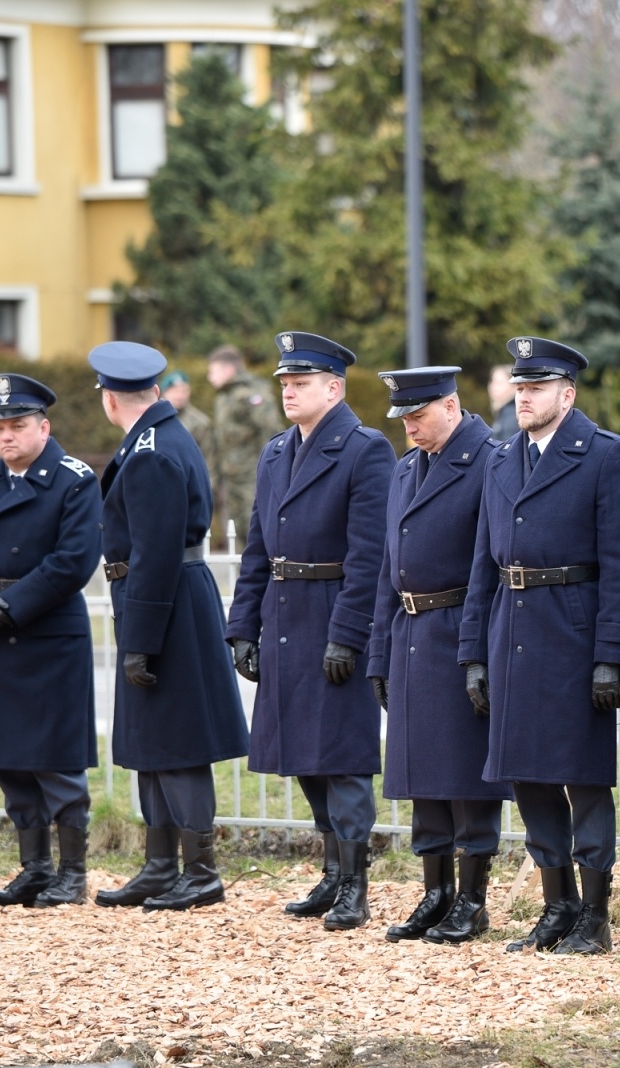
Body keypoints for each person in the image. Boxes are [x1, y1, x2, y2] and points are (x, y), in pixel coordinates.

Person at [458, 336, 620, 955]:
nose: (523, 397)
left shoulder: (602, 454)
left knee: (583, 777)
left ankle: (595, 914)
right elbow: (484, 564)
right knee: (528, 776)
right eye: (519, 387)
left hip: (572, 627)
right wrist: (473, 654)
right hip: (511, 629)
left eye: (536, 388)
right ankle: (556, 905)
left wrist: (610, 656)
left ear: (567, 394)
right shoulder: (500, 459)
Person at [225, 331, 394, 931]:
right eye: (285, 384)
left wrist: (349, 633)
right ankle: (330, 870)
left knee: (342, 757)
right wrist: (242, 625)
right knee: (301, 753)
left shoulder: (364, 449)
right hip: (283, 614)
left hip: (331, 610)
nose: (289, 392)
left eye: (300, 384)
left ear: (334, 388)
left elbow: (371, 553)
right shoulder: (276, 451)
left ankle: (355, 883)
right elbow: (256, 548)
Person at [88, 342, 251, 912]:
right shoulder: (159, 438)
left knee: (178, 742)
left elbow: (155, 552)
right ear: (153, 392)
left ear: (110, 399)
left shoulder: (151, 452)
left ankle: (199, 870)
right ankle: (160, 867)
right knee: (152, 740)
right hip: (164, 601)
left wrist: (140, 639)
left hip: (165, 603)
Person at [0, 374, 103, 908]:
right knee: (8, 757)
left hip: (47, 633)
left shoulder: (74, 481)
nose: (5, 436)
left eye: (16, 426)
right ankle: (34, 867)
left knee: (55, 758)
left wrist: (7, 610)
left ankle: (72, 872)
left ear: (43, 427)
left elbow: (71, 562)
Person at [365, 366, 509, 944]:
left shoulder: (489, 460)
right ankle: (435, 892)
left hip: (457, 626)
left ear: (451, 405)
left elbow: (488, 564)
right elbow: (387, 568)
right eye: (403, 419)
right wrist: (379, 651)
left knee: (466, 776)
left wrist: (475, 652)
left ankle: (472, 899)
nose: (410, 429)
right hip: (411, 629)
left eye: (418, 416)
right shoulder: (406, 469)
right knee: (421, 770)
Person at [208, 344, 282, 547]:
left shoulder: (252, 394)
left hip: (253, 477)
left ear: (228, 370)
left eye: (213, 371)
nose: (209, 377)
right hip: (231, 478)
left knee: (257, 532)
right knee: (235, 534)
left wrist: (270, 471)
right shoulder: (224, 396)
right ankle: (242, 578)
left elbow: (272, 432)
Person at [161, 369, 213, 457]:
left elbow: (208, 459)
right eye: (175, 391)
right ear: (164, 393)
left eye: (184, 391)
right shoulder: (154, 419)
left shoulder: (200, 423)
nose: (180, 396)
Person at [487, 365, 519, 440]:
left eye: (499, 383)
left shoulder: (512, 415)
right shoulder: (504, 412)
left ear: (514, 386)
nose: (493, 387)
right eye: (492, 381)